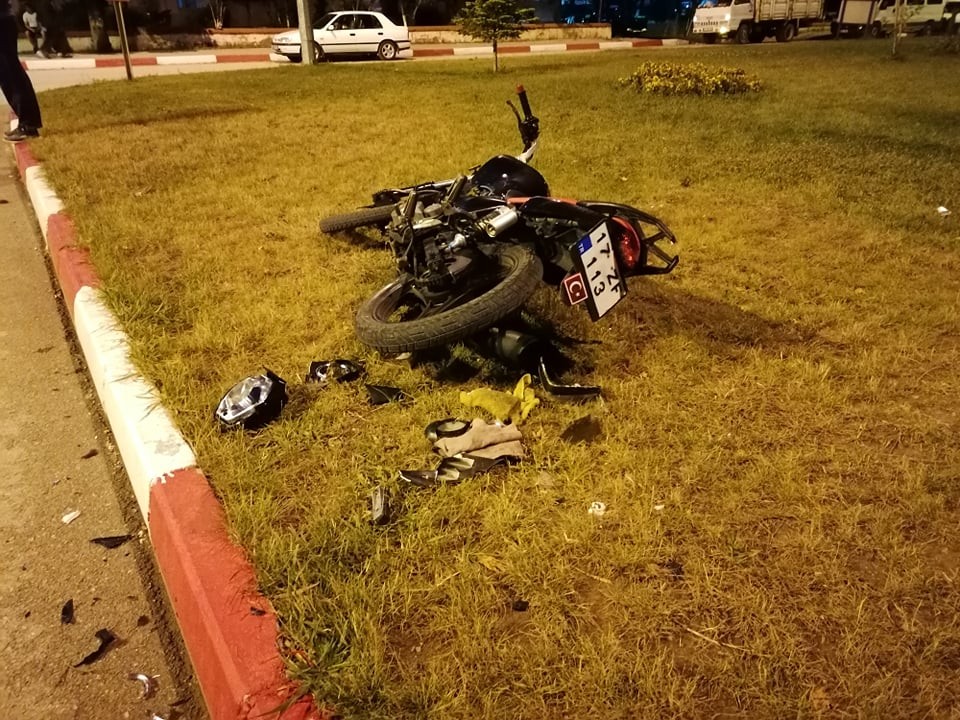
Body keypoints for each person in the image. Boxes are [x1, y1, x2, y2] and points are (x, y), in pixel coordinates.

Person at [0, 0, 43, 141]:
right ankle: (27, 123)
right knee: (8, 75)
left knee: (11, 75)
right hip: (4, 21)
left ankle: (28, 125)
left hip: (2, 22)